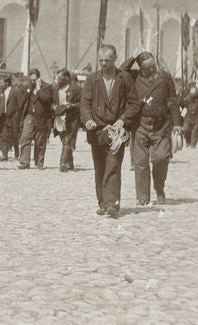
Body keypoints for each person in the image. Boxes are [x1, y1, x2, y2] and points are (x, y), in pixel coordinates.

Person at [79, 44, 139, 218]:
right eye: (101, 60)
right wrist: (88, 120)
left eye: (107, 60)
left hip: (117, 133)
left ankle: (112, 203)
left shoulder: (124, 78)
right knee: (100, 168)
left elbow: (134, 103)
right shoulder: (92, 79)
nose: (103, 64)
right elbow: (85, 103)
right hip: (97, 130)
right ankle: (103, 202)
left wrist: (123, 120)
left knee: (113, 165)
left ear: (115, 59)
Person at [124, 51, 182, 204]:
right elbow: (121, 72)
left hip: (160, 125)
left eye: (153, 66)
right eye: (147, 67)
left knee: (161, 158)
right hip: (140, 126)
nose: (151, 70)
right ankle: (143, 197)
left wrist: (176, 123)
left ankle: (159, 187)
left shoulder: (165, 77)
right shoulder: (134, 76)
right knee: (140, 163)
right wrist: (132, 57)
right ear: (141, 68)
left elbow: (173, 101)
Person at [17, 69, 53, 169]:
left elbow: (46, 99)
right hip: (30, 115)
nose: (32, 82)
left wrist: (38, 89)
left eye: (34, 80)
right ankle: (24, 161)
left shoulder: (47, 87)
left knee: (40, 140)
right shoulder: (28, 87)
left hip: (42, 117)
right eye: (31, 80)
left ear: (38, 78)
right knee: (25, 137)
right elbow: (22, 99)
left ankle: (39, 162)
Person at [52, 69, 82, 171]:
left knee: (67, 140)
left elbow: (83, 104)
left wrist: (71, 105)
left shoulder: (76, 89)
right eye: (57, 78)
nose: (58, 80)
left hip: (72, 118)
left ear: (66, 78)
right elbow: (51, 101)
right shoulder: (56, 88)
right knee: (64, 141)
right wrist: (53, 106)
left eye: (60, 78)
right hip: (59, 118)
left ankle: (62, 163)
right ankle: (70, 163)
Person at [181, 84, 198, 149]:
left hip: (197, 116)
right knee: (186, 130)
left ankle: (193, 145)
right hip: (188, 116)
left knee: (195, 131)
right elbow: (183, 106)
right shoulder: (186, 98)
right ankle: (188, 142)